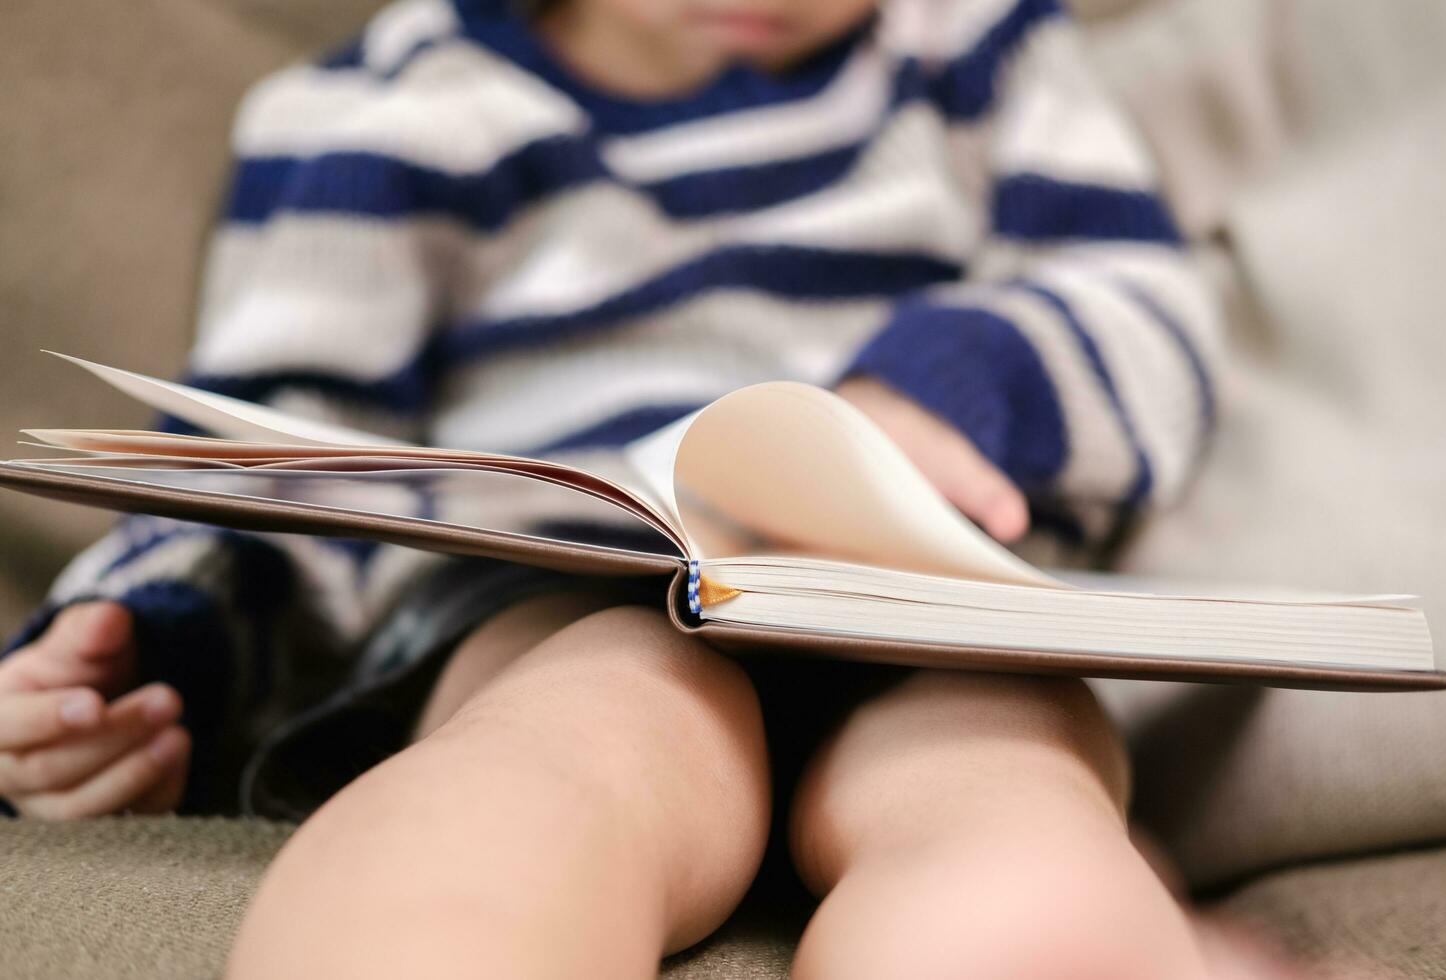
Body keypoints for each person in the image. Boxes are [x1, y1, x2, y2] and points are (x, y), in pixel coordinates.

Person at [0, 0, 1271, 975]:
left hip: (922, 597)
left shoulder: (977, 49)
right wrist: (144, 644)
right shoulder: (386, 104)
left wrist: (947, 388)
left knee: (1004, 791)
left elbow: (1146, 304)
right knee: (563, 750)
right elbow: (277, 446)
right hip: (567, 591)